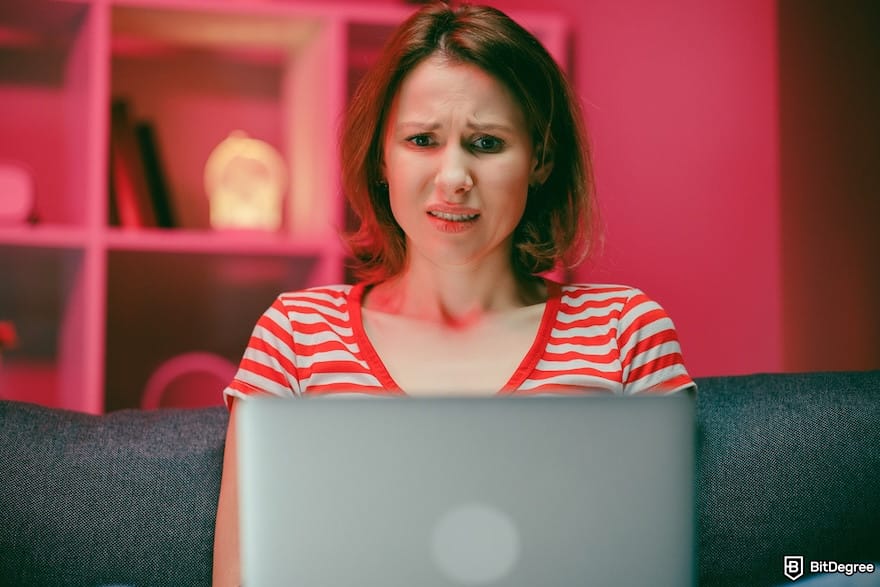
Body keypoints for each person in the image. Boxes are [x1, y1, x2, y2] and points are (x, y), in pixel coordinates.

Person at [213, 2, 694, 583]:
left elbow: (654, 566)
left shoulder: (625, 330)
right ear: (381, 159)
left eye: (487, 144)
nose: (453, 178)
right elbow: (240, 575)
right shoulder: (295, 334)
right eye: (422, 140)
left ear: (539, 159)